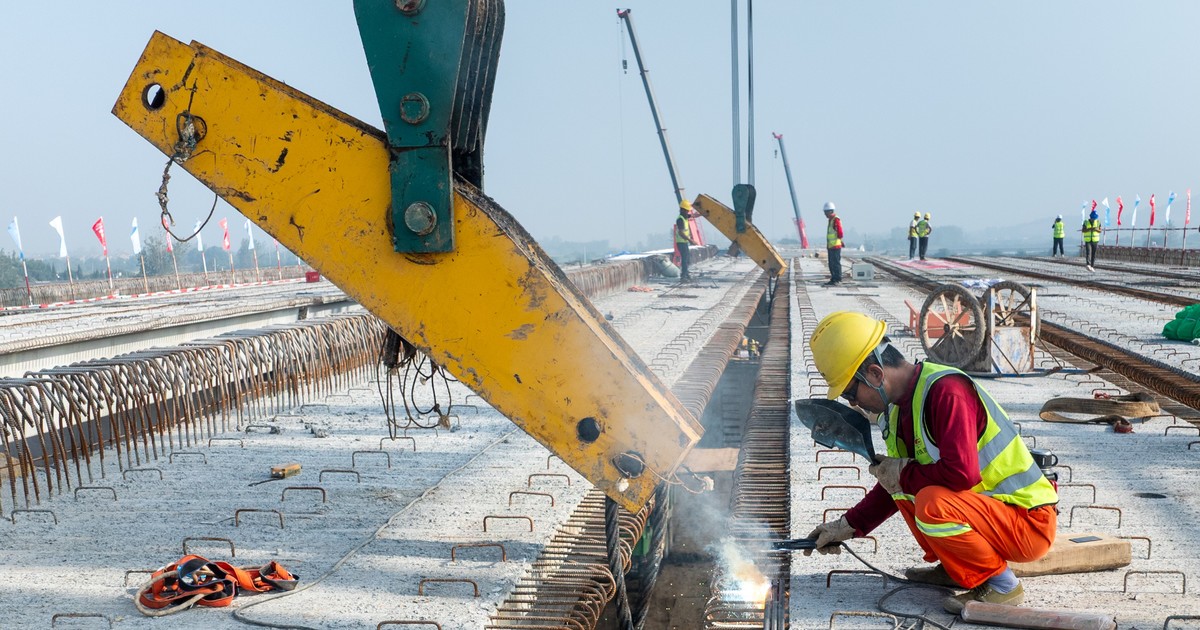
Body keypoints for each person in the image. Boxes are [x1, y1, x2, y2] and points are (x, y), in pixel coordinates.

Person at [804, 312, 1058, 614]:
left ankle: (1002, 585)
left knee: (931, 502)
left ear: (874, 374)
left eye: (850, 392)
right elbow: (895, 486)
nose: (853, 403)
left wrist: (903, 474)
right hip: (991, 515)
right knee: (910, 489)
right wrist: (848, 526)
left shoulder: (947, 392)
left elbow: (961, 474)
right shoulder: (895, 411)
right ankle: (958, 568)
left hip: (1027, 521)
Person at [674, 200, 698, 281]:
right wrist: (690, 240)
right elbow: (681, 233)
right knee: (684, 259)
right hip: (681, 242)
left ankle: (686, 274)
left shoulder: (684, 217)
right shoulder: (680, 219)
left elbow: (693, 215)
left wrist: (702, 214)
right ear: (683, 210)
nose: (688, 212)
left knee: (687, 259)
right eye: (687, 210)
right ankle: (684, 276)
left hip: (684, 242)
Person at [823, 202, 843, 286]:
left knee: (835, 263)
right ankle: (833, 278)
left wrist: (839, 240)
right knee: (831, 264)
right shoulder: (831, 220)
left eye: (826, 212)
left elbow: (840, 233)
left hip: (835, 246)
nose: (825, 214)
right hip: (831, 246)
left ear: (830, 211)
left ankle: (837, 279)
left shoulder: (835, 220)